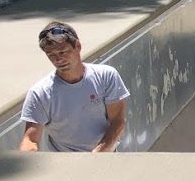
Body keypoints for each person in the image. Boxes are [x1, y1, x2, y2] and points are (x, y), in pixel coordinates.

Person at [19, 21, 130, 153]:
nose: (58, 59)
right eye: (51, 55)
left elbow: (118, 121)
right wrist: (29, 154)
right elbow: (30, 139)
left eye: (63, 52)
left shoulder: (106, 76)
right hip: (65, 166)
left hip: (105, 158)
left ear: (77, 46)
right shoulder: (40, 93)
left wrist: (99, 153)